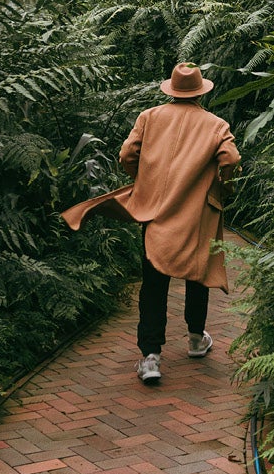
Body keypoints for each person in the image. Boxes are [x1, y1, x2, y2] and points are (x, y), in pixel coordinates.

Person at [61, 63, 242, 386]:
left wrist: (146, 182)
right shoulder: (216, 125)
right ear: (201, 91)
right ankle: (196, 339)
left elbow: (127, 155)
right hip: (196, 213)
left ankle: (151, 358)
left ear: (172, 89)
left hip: (155, 211)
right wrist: (221, 188)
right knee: (198, 273)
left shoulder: (149, 117)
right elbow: (231, 160)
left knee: (153, 282)